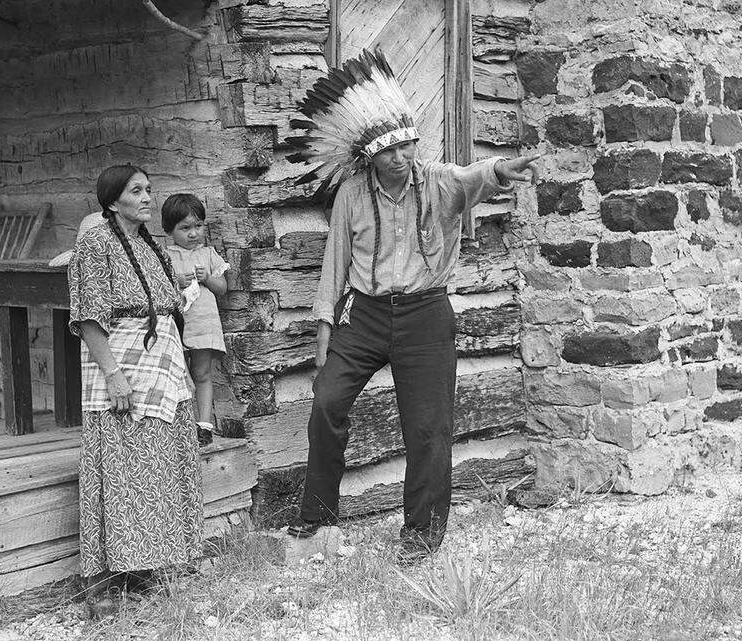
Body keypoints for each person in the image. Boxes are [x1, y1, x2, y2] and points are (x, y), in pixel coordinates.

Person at [284, 48, 539, 565]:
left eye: (406, 146)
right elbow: (335, 260)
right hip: (365, 317)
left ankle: (420, 537)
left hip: (426, 315)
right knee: (327, 401)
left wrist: (501, 168)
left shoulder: (439, 181)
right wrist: (324, 324)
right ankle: (318, 523)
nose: (401, 158)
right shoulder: (353, 194)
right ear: (369, 157)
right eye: (389, 151)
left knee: (428, 428)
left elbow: (476, 174)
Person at [68, 164, 202, 616]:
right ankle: (103, 577)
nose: (148, 197)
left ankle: (151, 565)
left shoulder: (151, 247)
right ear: (112, 201)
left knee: (159, 464)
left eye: (149, 189)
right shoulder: (96, 246)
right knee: (121, 465)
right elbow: (90, 318)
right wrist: (113, 375)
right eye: (136, 191)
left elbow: (164, 307)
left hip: (162, 367)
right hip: (123, 367)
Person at [162, 193, 229, 442]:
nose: (193, 234)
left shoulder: (209, 255)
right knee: (178, 376)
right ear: (170, 230)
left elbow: (222, 288)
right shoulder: (165, 256)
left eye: (198, 226)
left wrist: (208, 279)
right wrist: (175, 282)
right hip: (176, 327)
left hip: (203, 324)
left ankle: (204, 425)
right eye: (185, 228)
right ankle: (180, 426)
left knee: (202, 373)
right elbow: (157, 289)